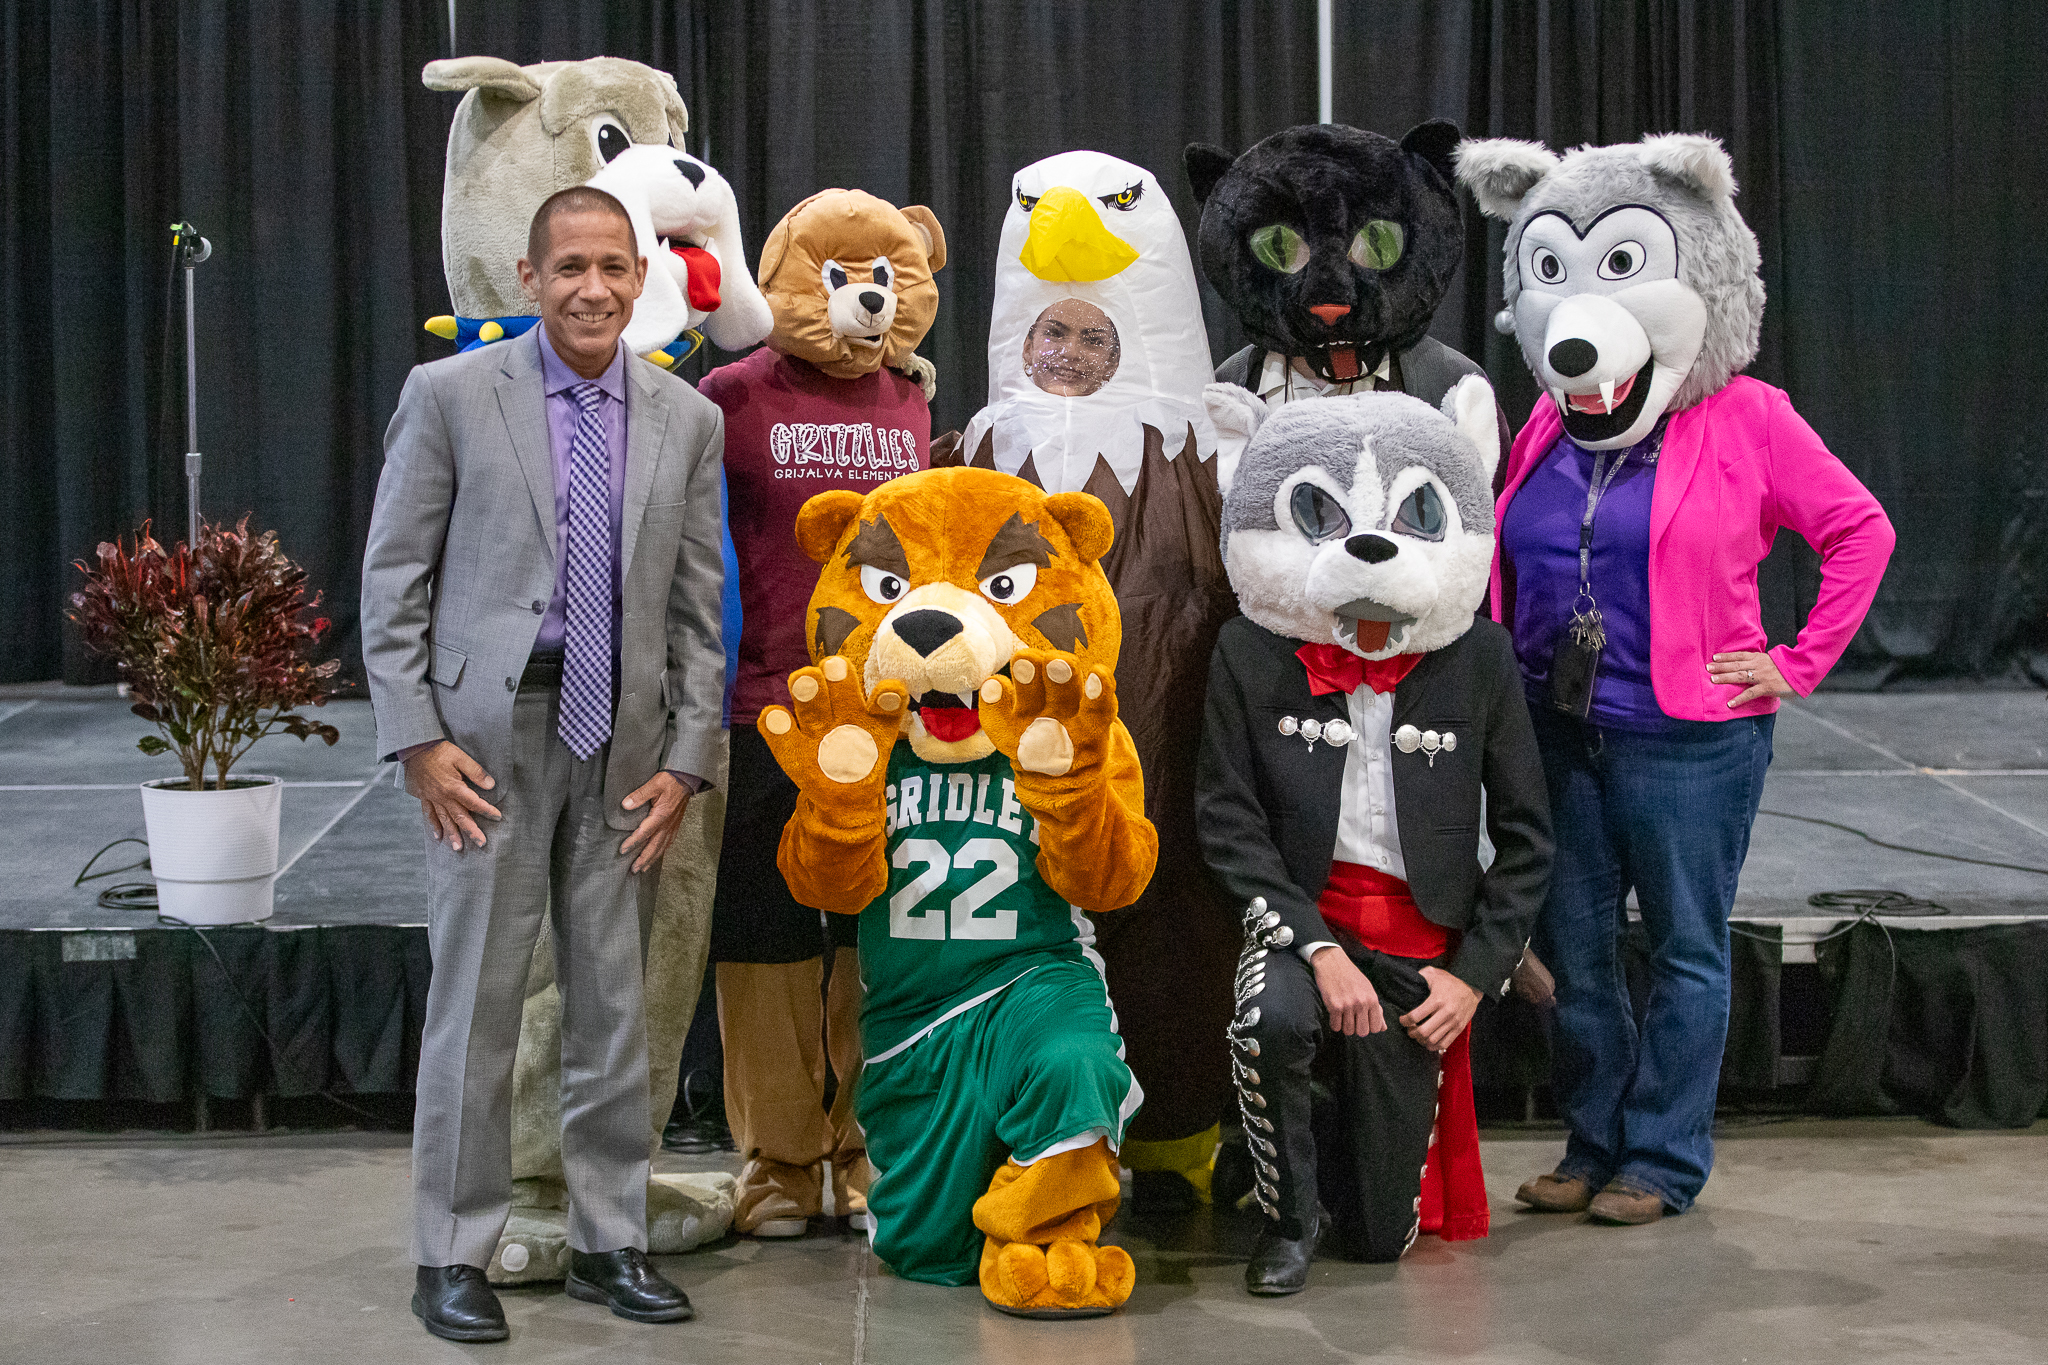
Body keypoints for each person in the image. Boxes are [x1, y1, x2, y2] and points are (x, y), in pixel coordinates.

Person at [1455, 132, 1897, 1225]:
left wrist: (1793, 663)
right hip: (1557, 729)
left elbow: (1857, 530)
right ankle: (1589, 1141)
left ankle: (1660, 1160)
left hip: (1688, 735)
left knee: (1687, 952)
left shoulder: (1749, 418)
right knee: (1578, 954)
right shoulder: (1552, 425)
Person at [362, 186, 726, 1341]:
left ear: (639, 277)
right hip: (484, 747)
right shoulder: (452, 397)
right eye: (569, 266)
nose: (592, 288)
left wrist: (687, 759)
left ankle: (606, 1240)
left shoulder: (686, 417)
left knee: (614, 1007)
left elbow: (696, 612)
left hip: (623, 747)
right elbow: (392, 582)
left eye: (613, 267)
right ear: (528, 279)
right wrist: (417, 739)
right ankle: (452, 1253)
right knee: (476, 1005)